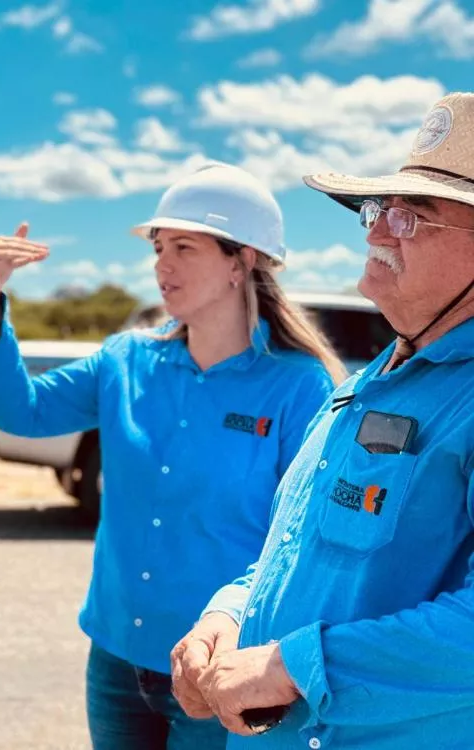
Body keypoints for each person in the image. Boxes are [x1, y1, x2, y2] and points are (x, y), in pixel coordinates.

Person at [0, 163, 342, 749]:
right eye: (158, 247)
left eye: (184, 247)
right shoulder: (125, 360)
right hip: (116, 660)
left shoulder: (298, 386)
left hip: (219, 669)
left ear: (242, 261)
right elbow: (23, 413)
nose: (162, 264)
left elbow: (298, 540)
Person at [172, 92, 474, 749]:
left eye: (410, 217)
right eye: (378, 210)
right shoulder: (366, 384)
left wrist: (293, 666)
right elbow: (296, 552)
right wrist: (228, 616)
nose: (376, 232)